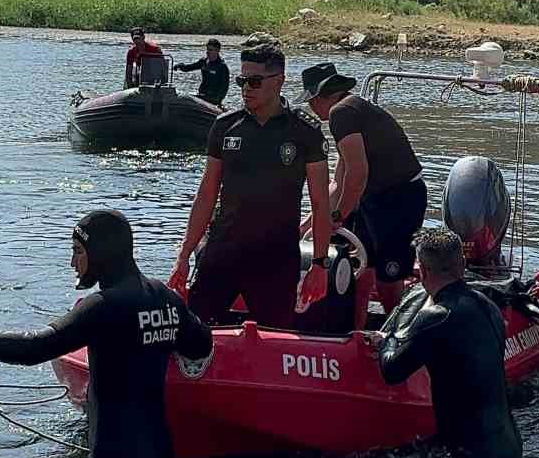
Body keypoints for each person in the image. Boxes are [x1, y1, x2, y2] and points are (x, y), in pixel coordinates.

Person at [0, 210, 212, 458]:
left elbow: (36, 348)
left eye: (78, 251)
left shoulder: (103, 306)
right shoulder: (166, 300)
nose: (72, 262)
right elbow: (200, 345)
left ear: (101, 252)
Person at [172, 38, 331, 328]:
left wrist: (319, 264)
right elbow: (207, 194)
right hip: (223, 250)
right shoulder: (224, 126)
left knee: (277, 335)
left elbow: (321, 205)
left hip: (276, 258)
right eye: (242, 81)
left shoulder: (305, 132)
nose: (246, 89)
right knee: (195, 331)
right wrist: (183, 256)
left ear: (279, 81)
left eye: (255, 82)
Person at [367, 227, 522, 458]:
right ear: (462, 264)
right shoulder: (489, 307)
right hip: (509, 451)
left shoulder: (435, 316)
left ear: (422, 272)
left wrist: (386, 340)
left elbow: (391, 370)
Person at [300, 61, 427, 312]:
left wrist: (337, 217)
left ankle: (394, 333)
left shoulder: (342, 113)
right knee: (361, 269)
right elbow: (339, 181)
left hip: (399, 198)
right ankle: (355, 332)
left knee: (388, 276)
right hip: (373, 198)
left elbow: (358, 174)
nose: (311, 107)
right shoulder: (352, 110)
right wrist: (307, 224)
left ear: (321, 96)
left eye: (311, 100)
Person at [176, 39, 230, 107]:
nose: (207, 52)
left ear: (217, 51)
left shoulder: (222, 67)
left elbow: (224, 87)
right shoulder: (203, 61)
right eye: (207, 49)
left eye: (210, 50)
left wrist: (218, 100)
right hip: (202, 94)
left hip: (213, 98)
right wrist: (180, 66)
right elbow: (189, 67)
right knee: (183, 98)